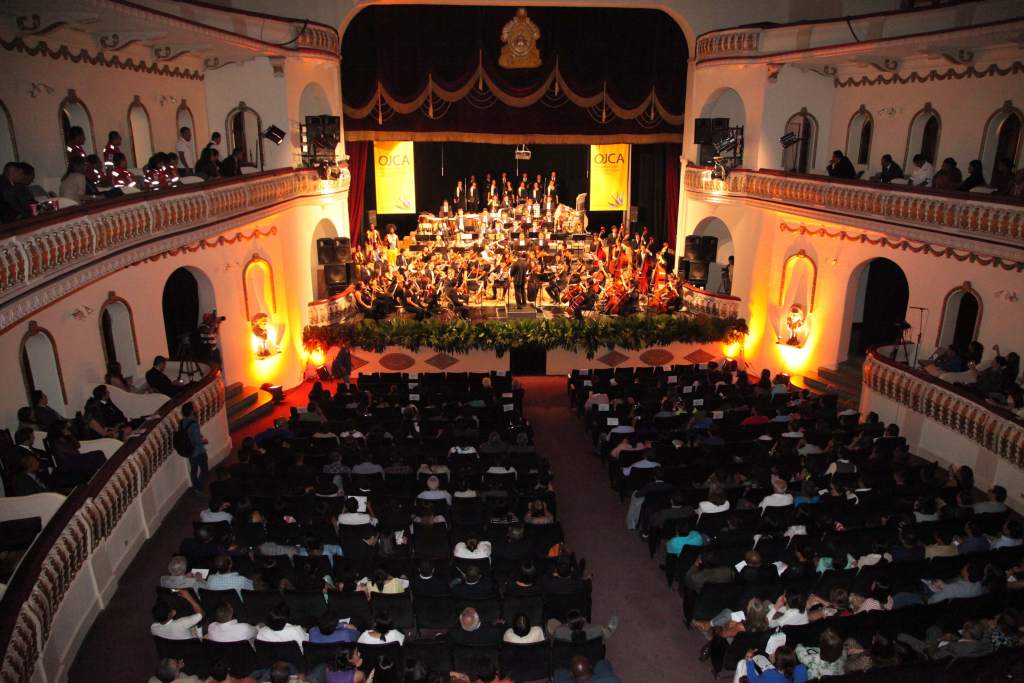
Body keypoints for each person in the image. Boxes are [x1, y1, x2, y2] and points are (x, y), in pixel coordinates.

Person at [181, 401, 209, 494]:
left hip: (190, 451)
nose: (196, 408)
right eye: (194, 407)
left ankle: (196, 487)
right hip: (198, 452)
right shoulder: (193, 424)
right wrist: (204, 441)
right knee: (204, 469)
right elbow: (197, 440)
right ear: (192, 411)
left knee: (193, 471)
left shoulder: (183, 423)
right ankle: (199, 487)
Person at [553, 656, 623, 683]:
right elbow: (604, 663)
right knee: (601, 664)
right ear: (590, 666)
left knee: (559, 675)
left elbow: (558, 673)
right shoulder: (612, 679)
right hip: (601, 678)